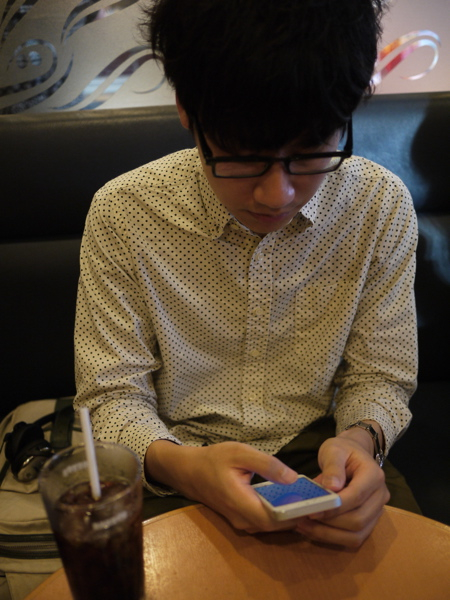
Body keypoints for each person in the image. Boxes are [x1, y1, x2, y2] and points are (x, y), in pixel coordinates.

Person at [74, 0, 420, 548]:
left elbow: (381, 376)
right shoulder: (125, 212)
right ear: (187, 110)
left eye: (310, 150)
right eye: (241, 155)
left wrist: (361, 440)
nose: (276, 194)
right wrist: (183, 467)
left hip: (324, 452)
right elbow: (110, 395)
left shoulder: (378, 206)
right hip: (172, 460)